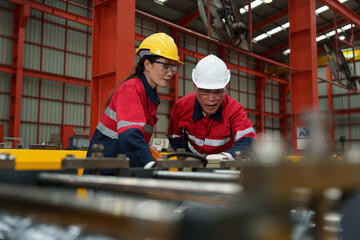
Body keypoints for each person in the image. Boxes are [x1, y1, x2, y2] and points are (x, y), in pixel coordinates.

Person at [85, 32, 183, 174]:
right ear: (147, 65)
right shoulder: (132, 90)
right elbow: (129, 136)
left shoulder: (149, 96)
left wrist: (146, 149)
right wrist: (150, 166)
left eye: (173, 67)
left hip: (118, 172)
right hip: (104, 175)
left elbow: (133, 137)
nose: (170, 73)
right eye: (165, 66)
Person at [167, 54, 256, 159]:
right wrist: (186, 156)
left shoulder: (234, 110)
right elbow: (175, 136)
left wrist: (225, 157)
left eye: (217, 92)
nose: (211, 98)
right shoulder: (181, 107)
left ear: (225, 88)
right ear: (195, 87)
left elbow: (248, 140)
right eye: (205, 92)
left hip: (223, 166)